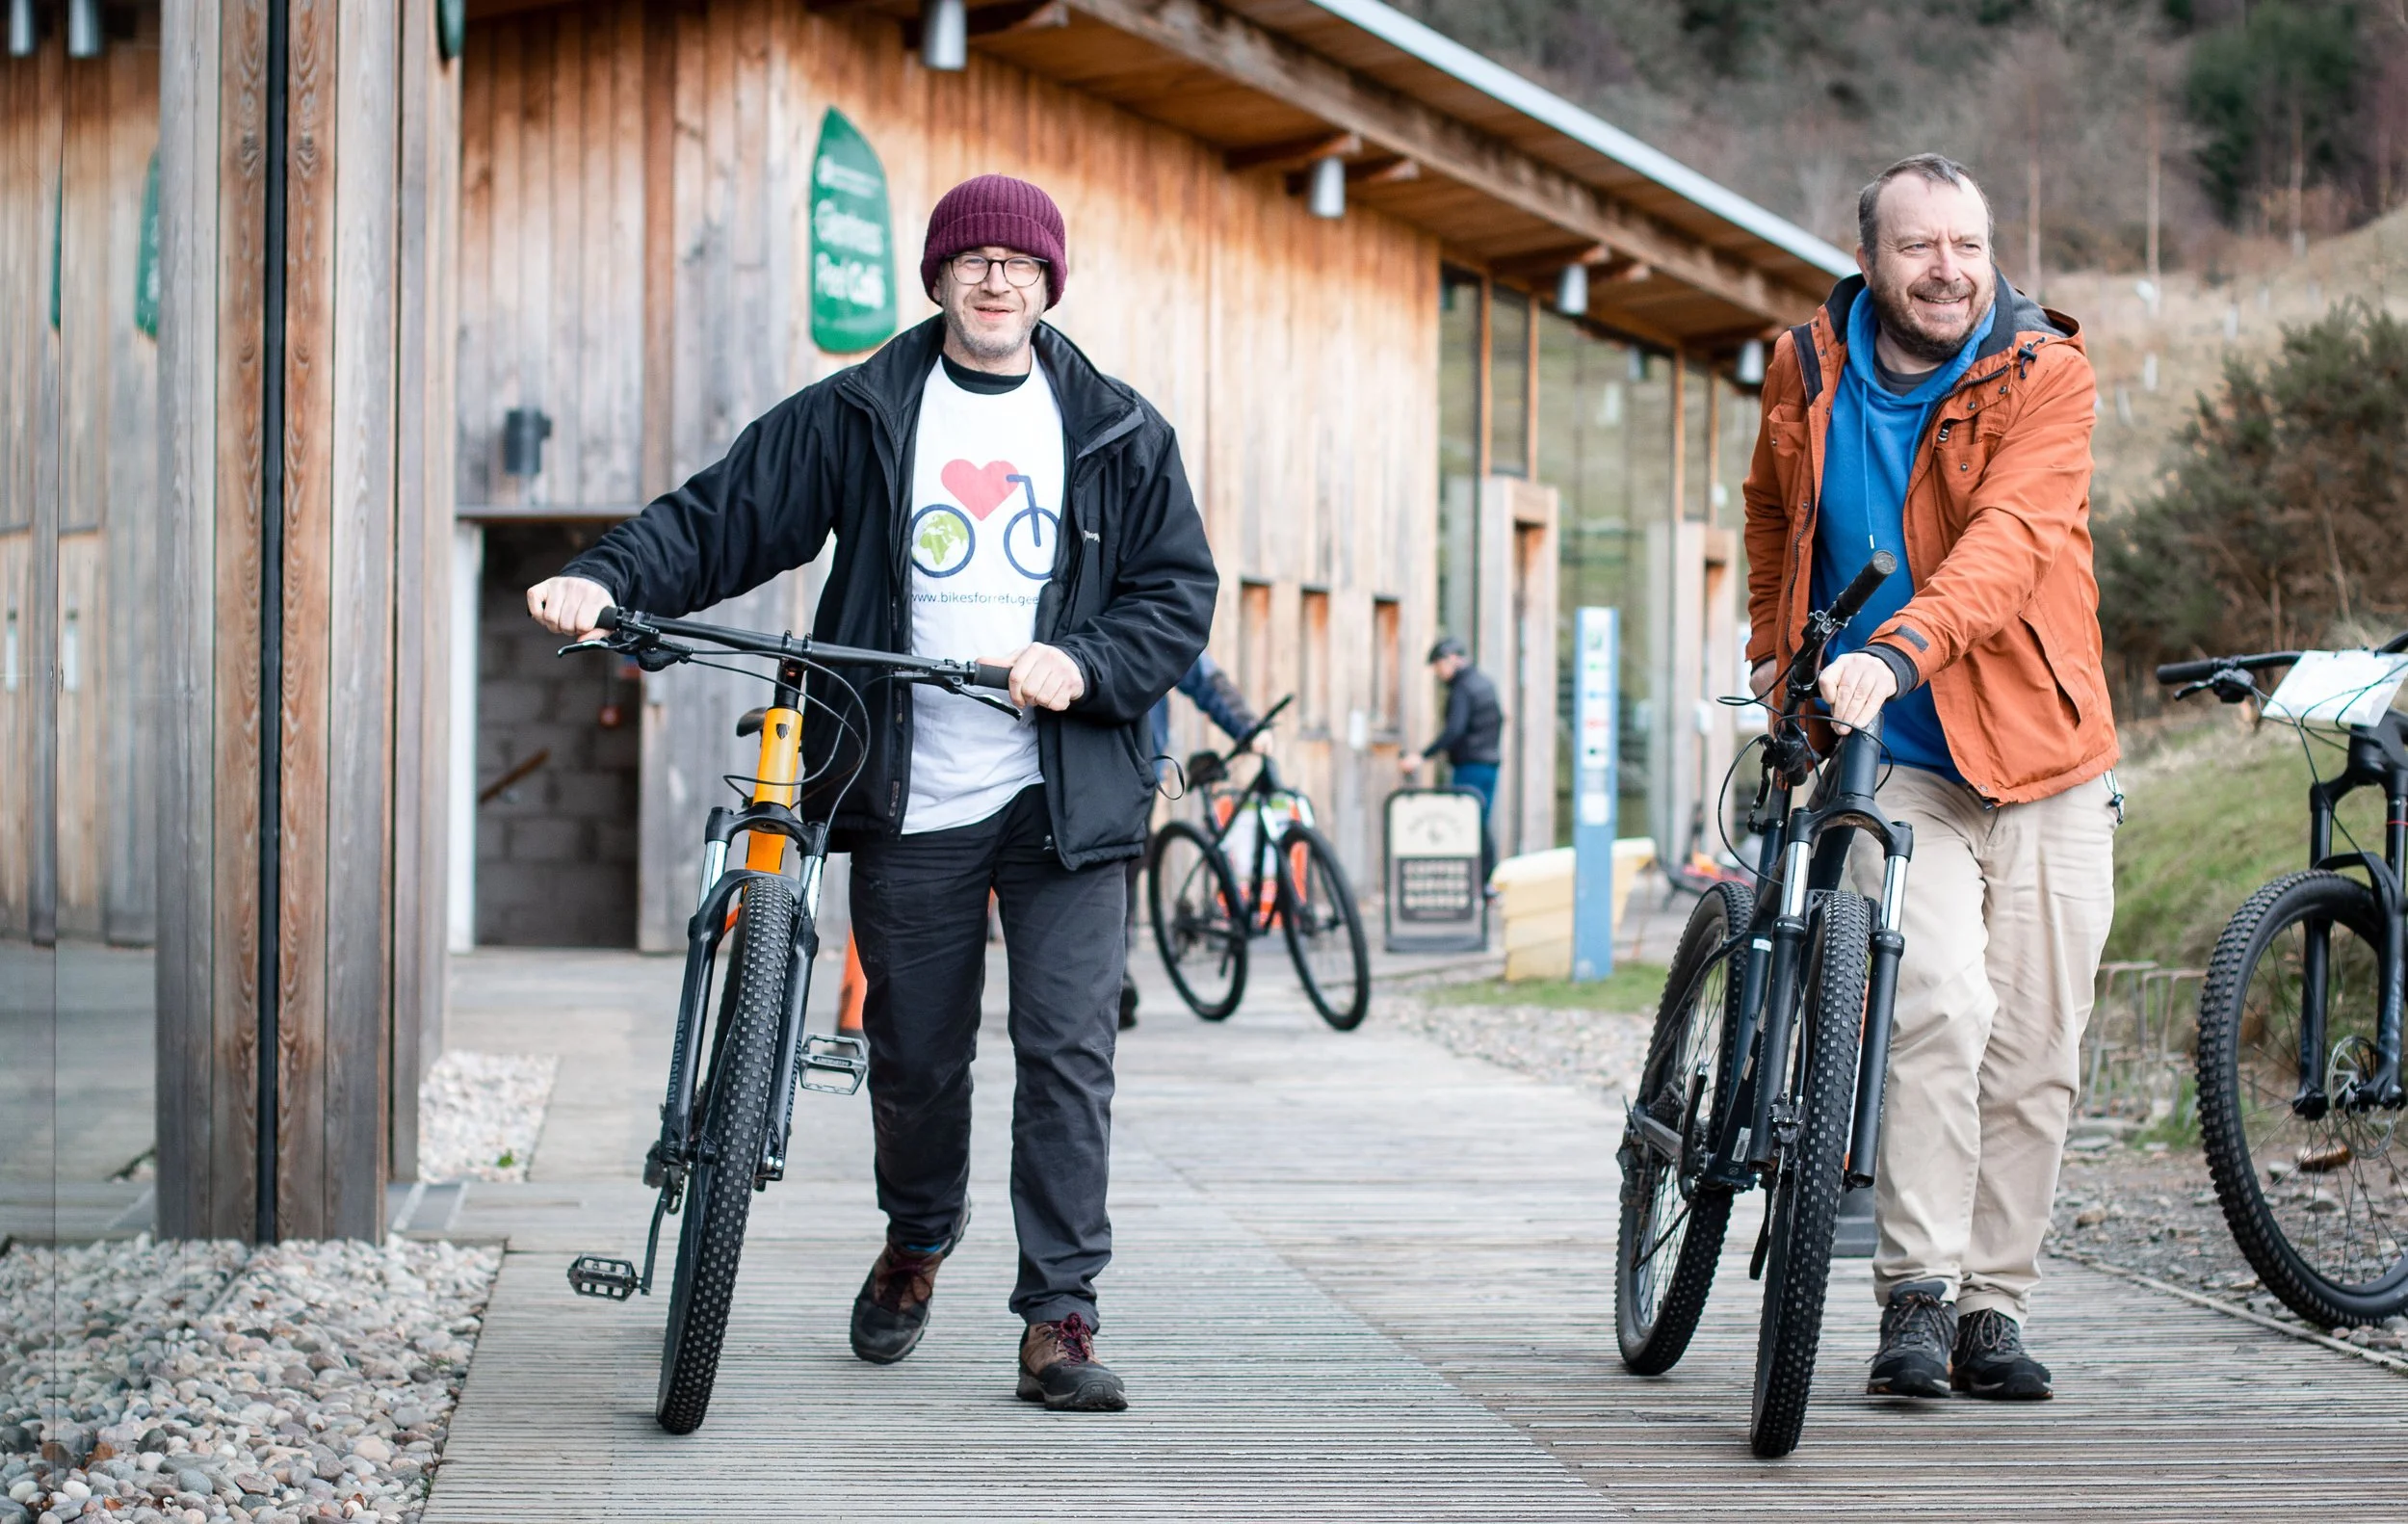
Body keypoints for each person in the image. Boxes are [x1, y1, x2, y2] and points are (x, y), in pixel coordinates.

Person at [524, 173, 1216, 1411]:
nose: (995, 277)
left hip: (1066, 797)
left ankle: (1060, 1313)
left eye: (1020, 261)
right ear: (938, 276)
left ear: (1050, 282)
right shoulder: (864, 410)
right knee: (912, 1052)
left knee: (1067, 1052)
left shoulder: (1115, 427)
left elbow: (1173, 595)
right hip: (911, 789)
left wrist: (1082, 661)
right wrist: (606, 575)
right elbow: (726, 516)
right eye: (973, 258)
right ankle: (917, 1240)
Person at [1741, 153, 2116, 1403]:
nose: (1947, 268)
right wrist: (1773, 649)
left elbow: (2010, 544)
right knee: (1936, 1001)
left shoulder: (2045, 374)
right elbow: (1769, 515)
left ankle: (1993, 1308)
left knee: (2038, 1043)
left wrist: (1894, 649)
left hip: (2045, 753)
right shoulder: (1806, 369)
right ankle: (1917, 1286)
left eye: (1967, 244)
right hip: (1894, 758)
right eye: (1919, 247)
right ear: (1871, 259)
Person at [1120, 652, 1263, 1028]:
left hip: (1136, 766)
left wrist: (1247, 727)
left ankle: (1112, 974)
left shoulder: (1147, 604)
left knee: (1121, 869)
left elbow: (1197, 669)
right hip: (1058, 763)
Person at [1400, 636, 1503, 880]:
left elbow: (1454, 731)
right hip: (1489, 763)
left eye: (1438, 666)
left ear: (1451, 659)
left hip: (1470, 765)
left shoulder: (1463, 688)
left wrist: (1422, 757)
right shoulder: (1483, 683)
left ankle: (1479, 880)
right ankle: (1486, 881)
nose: (1438, 673)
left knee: (1468, 822)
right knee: (1479, 820)